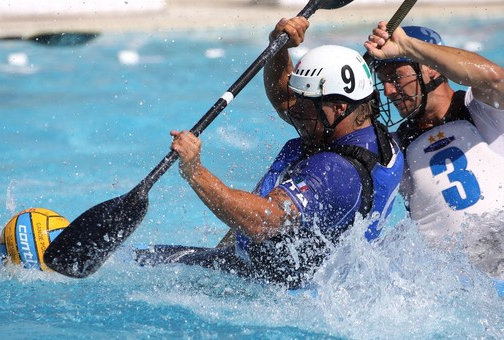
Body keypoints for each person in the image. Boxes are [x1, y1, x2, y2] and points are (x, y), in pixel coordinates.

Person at [134, 17, 404, 290]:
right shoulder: (370, 136)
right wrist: (279, 46)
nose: (293, 108)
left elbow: (263, 222)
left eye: (304, 102)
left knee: (132, 264)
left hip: (266, 288)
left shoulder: (334, 171)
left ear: (339, 107)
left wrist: (195, 172)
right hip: (280, 275)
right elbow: (283, 97)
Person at [364, 22, 504, 280]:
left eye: (396, 76)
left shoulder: (483, 110)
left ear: (430, 68)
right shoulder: (394, 148)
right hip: (456, 287)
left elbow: (495, 76)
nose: (388, 90)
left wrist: (409, 46)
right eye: (384, 81)